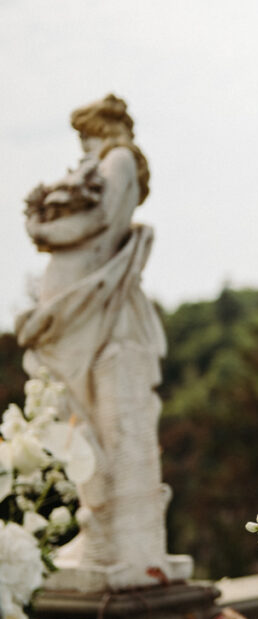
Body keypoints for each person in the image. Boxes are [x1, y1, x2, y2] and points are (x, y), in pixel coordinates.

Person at [16, 94, 186, 590]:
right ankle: (100, 524)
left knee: (77, 414)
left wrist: (41, 226)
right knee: (70, 414)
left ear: (99, 128)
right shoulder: (106, 161)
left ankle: (111, 532)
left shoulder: (117, 159)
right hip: (86, 311)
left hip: (97, 313)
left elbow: (99, 221)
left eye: (84, 134)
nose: (81, 145)